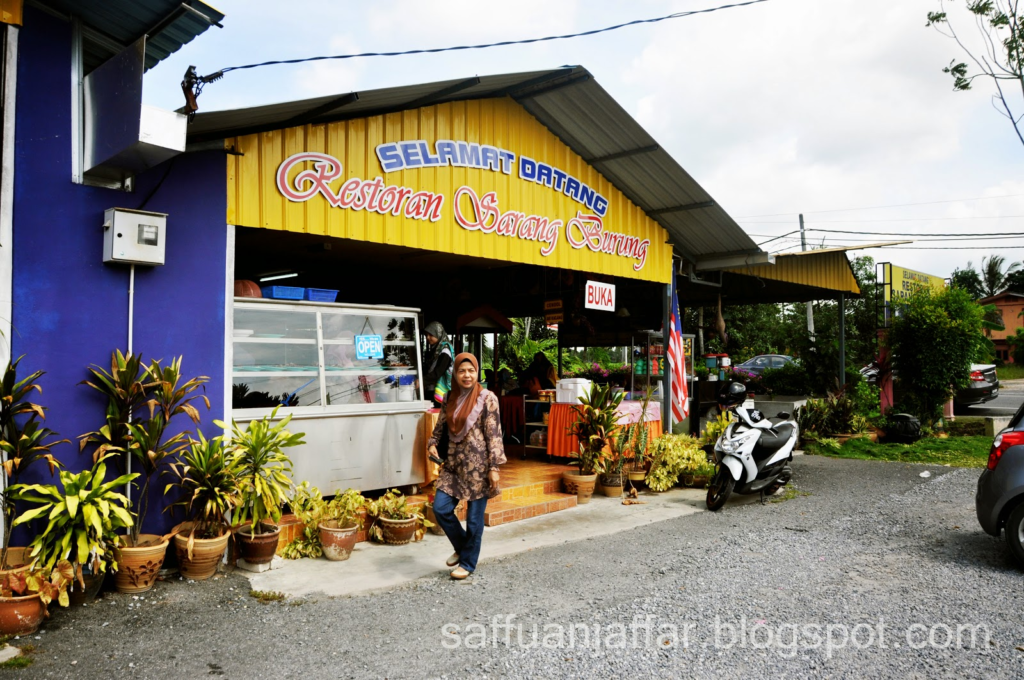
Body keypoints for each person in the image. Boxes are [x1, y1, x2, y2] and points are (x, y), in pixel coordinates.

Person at [427, 353, 506, 579]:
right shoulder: (450, 396)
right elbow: (440, 426)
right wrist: (432, 444)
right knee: (440, 508)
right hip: (453, 464)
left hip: (478, 468)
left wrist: (494, 468)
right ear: (455, 373)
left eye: (471, 370)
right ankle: (463, 548)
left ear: (477, 372)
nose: (467, 375)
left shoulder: (487, 398)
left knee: (473, 519)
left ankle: (468, 563)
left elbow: (494, 434)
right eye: (462, 371)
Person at [422, 321, 454, 407]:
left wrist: (421, 381)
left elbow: (438, 372)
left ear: (439, 334)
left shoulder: (445, 350)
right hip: (432, 389)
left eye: (431, 335)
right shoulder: (436, 349)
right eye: (426, 335)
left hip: (441, 392)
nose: (428, 338)